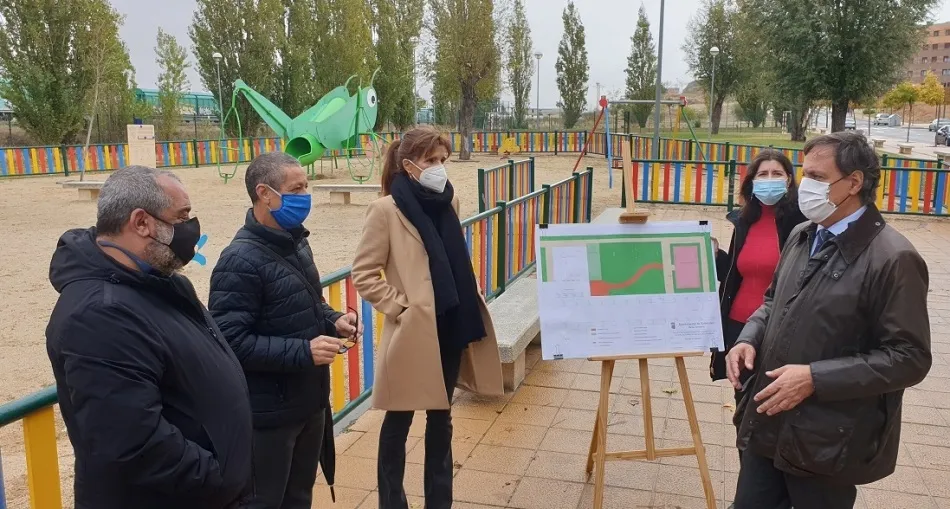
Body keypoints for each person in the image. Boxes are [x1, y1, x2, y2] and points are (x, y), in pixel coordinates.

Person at [726, 131, 932, 509]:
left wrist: (814, 379)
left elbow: (909, 358)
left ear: (853, 183)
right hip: (769, 421)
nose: (805, 186)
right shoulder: (803, 235)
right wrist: (748, 338)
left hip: (828, 441)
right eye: (805, 175)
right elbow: (774, 300)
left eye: (818, 178)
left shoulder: (893, 258)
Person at [45, 166, 252, 509]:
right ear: (141, 222)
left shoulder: (160, 281)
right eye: (182, 217)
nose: (191, 229)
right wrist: (220, 479)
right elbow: (132, 443)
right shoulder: (99, 315)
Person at [352, 125, 504, 509]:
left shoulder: (449, 202)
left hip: (451, 325)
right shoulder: (385, 210)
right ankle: (393, 502)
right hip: (413, 332)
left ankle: (439, 502)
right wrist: (402, 308)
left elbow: (452, 259)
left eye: (443, 160)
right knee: (398, 422)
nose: (439, 167)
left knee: (441, 420)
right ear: (408, 164)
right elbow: (365, 275)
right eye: (430, 160)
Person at [208, 151, 360, 509]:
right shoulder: (238, 261)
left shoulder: (296, 242)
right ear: (265, 194)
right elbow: (230, 341)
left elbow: (307, 303)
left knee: (299, 497)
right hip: (270, 417)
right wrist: (303, 352)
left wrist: (333, 319)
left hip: (309, 403)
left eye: (305, 186)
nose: (306, 195)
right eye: (297, 188)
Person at [711, 149, 806, 411]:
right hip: (738, 326)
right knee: (743, 405)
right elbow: (734, 272)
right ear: (752, 181)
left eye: (777, 173)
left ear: (788, 180)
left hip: (779, 328)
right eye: (762, 174)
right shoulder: (744, 221)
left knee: (774, 407)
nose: (769, 178)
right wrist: (714, 255)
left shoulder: (802, 223)